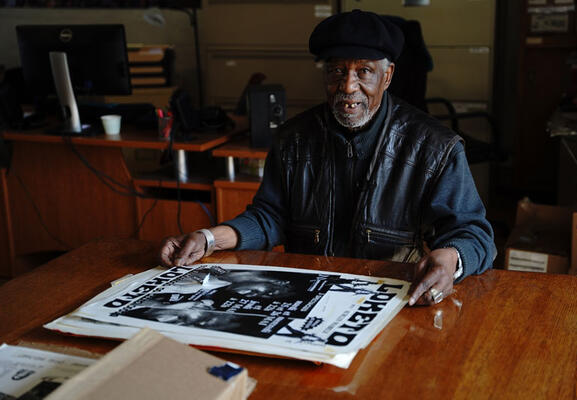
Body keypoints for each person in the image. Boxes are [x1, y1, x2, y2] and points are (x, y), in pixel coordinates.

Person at [159, 10, 496, 307]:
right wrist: (207, 239)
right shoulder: (293, 139)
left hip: (391, 299)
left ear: (387, 76)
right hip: (306, 294)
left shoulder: (434, 147)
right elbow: (270, 216)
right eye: (336, 71)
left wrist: (450, 257)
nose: (348, 86)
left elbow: (474, 233)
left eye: (363, 71)